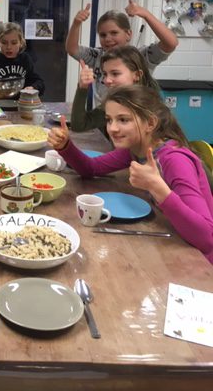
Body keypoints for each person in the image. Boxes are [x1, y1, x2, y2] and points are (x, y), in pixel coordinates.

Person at [48, 85, 213, 263]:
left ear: (150, 123)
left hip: (201, 263)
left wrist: (159, 190)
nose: (112, 128)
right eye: (109, 120)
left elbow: (206, 238)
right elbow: (91, 168)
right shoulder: (135, 149)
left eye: (123, 120)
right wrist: (66, 146)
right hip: (175, 241)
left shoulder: (175, 161)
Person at [65, 0, 178, 105]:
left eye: (114, 33)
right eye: (103, 35)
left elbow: (171, 43)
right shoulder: (97, 56)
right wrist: (76, 23)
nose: (108, 39)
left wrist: (145, 14)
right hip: (104, 117)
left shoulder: (140, 56)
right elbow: (72, 49)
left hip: (135, 117)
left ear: (128, 34)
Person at [71, 45, 159, 133]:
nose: (106, 80)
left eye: (115, 74)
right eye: (105, 74)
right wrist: (83, 87)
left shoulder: (150, 108)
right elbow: (79, 125)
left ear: (137, 75)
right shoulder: (114, 102)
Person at [0, 22, 45, 95]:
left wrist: (32, 87)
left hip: (20, 101)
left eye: (14, 43)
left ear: (21, 43)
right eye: (4, 43)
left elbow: (39, 82)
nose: (9, 47)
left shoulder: (25, 59)